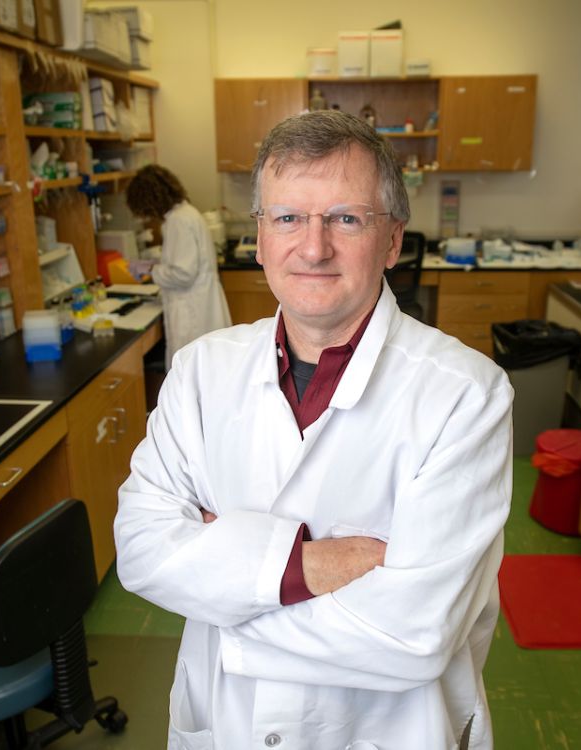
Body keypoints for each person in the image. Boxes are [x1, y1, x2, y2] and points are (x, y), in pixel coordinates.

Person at [115, 110, 513, 750]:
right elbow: (139, 550)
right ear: (260, 237)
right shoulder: (199, 373)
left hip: (384, 731)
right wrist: (313, 565)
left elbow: (415, 635)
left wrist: (223, 590)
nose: (314, 246)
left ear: (392, 240)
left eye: (346, 218)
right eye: (288, 217)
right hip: (228, 725)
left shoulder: (465, 395)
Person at [126, 164, 231, 369]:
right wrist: (156, 264)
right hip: (200, 304)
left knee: (190, 374)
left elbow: (183, 274)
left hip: (191, 312)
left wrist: (150, 270)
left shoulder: (178, 221)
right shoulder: (186, 213)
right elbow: (185, 263)